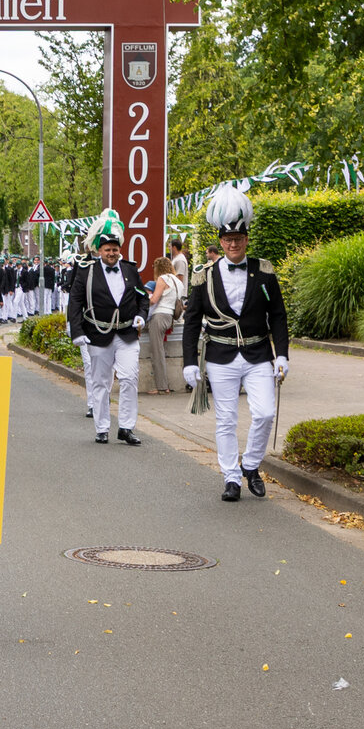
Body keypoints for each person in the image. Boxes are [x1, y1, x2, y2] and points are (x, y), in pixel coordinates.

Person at [185, 188, 289, 501]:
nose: (233, 244)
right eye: (228, 239)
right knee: (226, 420)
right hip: (220, 354)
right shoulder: (204, 275)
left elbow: (278, 315)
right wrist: (189, 361)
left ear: (246, 239)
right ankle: (231, 477)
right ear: (221, 241)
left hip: (258, 354)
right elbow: (192, 320)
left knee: (265, 413)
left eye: (239, 239)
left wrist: (282, 355)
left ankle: (251, 465)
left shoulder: (264, 271)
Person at [66, 211, 148, 445]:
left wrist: (142, 316)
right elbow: (75, 302)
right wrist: (77, 331)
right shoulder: (86, 270)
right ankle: (102, 427)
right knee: (101, 383)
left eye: (115, 249)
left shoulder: (130, 269)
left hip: (126, 334)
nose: (111, 253)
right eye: (107, 249)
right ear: (99, 250)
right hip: (98, 334)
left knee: (129, 378)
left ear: (120, 249)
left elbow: (143, 298)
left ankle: (126, 427)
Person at [145, 257, 184, 395]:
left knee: (157, 352)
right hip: (170, 317)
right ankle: (163, 385)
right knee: (160, 351)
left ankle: (162, 387)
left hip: (159, 316)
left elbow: (154, 300)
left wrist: (142, 299)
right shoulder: (178, 281)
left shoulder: (162, 279)